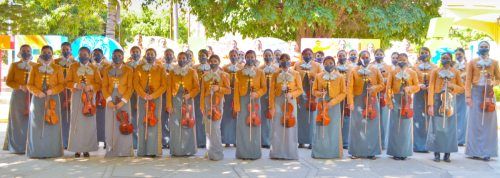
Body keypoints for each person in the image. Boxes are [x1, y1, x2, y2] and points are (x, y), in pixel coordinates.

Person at [26, 45, 65, 158]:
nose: (46, 54)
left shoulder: (57, 68)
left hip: (52, 99)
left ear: (52, 54)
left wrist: (52, 91)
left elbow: (61, 84)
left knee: (53, 123)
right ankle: (37, 151)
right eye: (44, 52)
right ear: (41, 54)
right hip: (37, 98)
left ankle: (52, 151)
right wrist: (37, 92)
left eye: (49, 52)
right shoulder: (34, 68)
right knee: (37, 122)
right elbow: (29, 84)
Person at [465, 41, 499, 161]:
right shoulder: (473, 61)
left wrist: (493, 83)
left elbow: (498, 79)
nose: (483, 49)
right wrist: (468, 96)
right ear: (478, 49)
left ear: (489, 49)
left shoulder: (494, 62)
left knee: (489, 124)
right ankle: (474, 151)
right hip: (476, 93)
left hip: (489, 94)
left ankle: (487, 152)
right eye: (481, 47)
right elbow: (468, 79)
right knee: (475, 122)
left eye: (486, 47)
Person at [427, 52, 464, 162]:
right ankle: (436, 152)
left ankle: (447, 153)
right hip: (438, 99)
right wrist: (431, 105)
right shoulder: (435, 71)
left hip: (450, 100)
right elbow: (431, 88)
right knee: (436, 127)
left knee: (449, 128)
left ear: (451, 60)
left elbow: (461, 89)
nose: (445, 60)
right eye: (443, 58)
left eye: (447, 58)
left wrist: (451, 86)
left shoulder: (456, 72)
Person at [66, 47, 102, 157]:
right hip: (77, 95)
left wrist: (90, 87)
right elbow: (67, 82)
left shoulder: (95, 68)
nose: (83, 57)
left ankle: (87, 149)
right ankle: (77, 148)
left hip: (89, 98)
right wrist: (76, 85)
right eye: (80, 55)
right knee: (76, 123)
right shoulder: (73, 67)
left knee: (88, 123)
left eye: (85, 54)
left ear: (89, 55)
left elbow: (99, 84)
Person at [347, 51, 384, 159]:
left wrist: (374, 88)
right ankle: (356, 151)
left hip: (371, 101)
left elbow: (382, 84)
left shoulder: (375, 70)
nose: (365, 59)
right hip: (358, 100)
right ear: (359, 58)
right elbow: (349, 87)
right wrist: (350, 102)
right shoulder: (354, 70)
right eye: (363, 57)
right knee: (357, 126)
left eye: (367, 57)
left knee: (371, 126)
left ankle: (371, 151)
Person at [133, 48, 167, 157]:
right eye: (148, 54)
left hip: (155, 98)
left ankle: (153, 150)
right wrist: (143, 94)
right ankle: (142, 150)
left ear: (156, 55)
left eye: (152, 54)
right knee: (142, 122)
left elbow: (164, 85)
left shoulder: (161, 68)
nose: (150, 56)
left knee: (154, 122)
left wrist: (153, 95)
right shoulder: (139, 67)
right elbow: (136, 83)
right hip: (143, 97)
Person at [386, 53, 419, 160]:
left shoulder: (412, 72)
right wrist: (389, 102)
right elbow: (389, 87)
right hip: (395, 99)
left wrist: (409, 88)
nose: (402, 62)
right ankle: (395, 151)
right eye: (400, 60)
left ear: (407, 60)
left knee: (405, 125)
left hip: (407, 100)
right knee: (395, 125)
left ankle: (404, 152)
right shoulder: (392, 71)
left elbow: (417, 87)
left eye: (404, 60)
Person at [234, 50, 267, 160]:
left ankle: (254, 152)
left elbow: (264, 88)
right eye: (248, 57)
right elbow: (236, 91)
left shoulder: (260, 72)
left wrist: (256, 93)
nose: (250, 59)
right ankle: (242, 153)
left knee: (255, 125)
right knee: (242, 126)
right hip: (243, 100)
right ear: (245, 58)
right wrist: (237, 106)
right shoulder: (239, 72)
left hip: (255, 101)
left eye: (252, 57)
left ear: (255, 58)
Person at [269, 54, 303, 160]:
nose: (285, 62)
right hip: (279, 100)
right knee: (278, 125)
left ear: (290, 61)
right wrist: (272, 106)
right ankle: (277, 152)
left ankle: (290, 152)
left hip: (290, 101)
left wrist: (292, 94)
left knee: (290, 126)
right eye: (282, 60)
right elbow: (271, 91)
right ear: (279, 62)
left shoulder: (296, 74)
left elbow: (300, 89)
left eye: (287, 60)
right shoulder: (275, 74)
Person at [4, 44, 37, 154]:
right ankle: (17, 147)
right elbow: (8, 81)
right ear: (20, 52)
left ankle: (31, 146)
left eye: (28, 51)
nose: (26, 53)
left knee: (31, 121)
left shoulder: (36, 66)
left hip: (32, 95)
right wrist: (20, 86)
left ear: (31, 52)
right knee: (17, 120)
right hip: (18, 95)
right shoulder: (14, 65)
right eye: (24, 51)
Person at [311, 56, 346, 158]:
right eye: (326, 63)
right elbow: (314, 91)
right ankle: (319, 152)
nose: (328, 65)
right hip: (321, 104)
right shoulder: (318, 76)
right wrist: (320, 94)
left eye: (331, 63)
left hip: (333, 106)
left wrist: (333, 102)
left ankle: (333, 152)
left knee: (333, 128)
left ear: (334, 64)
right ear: (323, 64)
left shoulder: (340, 77)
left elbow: (343, 93)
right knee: (320, 127)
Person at [102, 49, 134, 157]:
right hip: (111, 98)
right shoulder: (107, 69)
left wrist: (123, 101)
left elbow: (130, 87)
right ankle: (112, 150)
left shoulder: (128, 70)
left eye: (119, 55)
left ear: (123, 57)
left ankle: (125, 150)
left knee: (124, 123)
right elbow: (104, 87)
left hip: (123, 98)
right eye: (114, 55)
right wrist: (108, 100)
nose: (117, 57)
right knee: (111, 125)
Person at [166, 52, 200, 156]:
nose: (181, 60)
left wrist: (189, 95)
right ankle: (176, 150)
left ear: (187, 59)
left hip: (188, 100)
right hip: (175, 99)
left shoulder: (192, 71)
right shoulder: (172, 72)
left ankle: (188, 150)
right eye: (179, 58)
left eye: (184, 58)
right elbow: (169, 89)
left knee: (188, 124)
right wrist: (169, 105)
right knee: (175, 124)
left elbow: (197, 88)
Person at [200, 54, 230, 160]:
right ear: (208, 62)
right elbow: (203, 92)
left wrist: (218, 88)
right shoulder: (205, 76)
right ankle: (210, 151)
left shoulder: (224, 75)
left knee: (216, 128)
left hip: (217, 103)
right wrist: (202, 106)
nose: (213, 63)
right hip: (207, 102)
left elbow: (228, 90)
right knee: (209, 129)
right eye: (211, 61)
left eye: (215, 61)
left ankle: (218, 152)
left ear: (219, 62)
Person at [293, 48, 322, 149]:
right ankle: (300, 141)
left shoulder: (317, 65)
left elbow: (321, 79)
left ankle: (311, 141)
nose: (307, 56)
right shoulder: (297, 65)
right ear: (302, 55)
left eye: (309, 54)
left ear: (312, 55)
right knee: (301, 118)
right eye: (305, 54)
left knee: (312, 117)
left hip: (312, 95)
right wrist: (296, 95)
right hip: (301, 94)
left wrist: (314, 83)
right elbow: (293, 80)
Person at [411, 47, 438, 153]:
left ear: (429, 54)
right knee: (418, 119)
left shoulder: (435, 67)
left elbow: (438, 81)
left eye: (426, 53)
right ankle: (418, 145)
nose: (424, 55)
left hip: (430, 95)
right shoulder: (414, 68)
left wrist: (431, 87)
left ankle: (429, 145)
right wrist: (419, 85)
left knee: (429, 118)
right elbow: (411, 81)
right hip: (418, 94)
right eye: (422, 53)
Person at [53, 42, 77, 149]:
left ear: (71, 50)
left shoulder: (75, 63)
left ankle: (71, 141)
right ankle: (61, 141)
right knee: (60, 115)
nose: (66, 51)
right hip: (59, 91)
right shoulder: (56, 62)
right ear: (61, 50)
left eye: (67, 49)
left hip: (72, 91)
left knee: (71, 115)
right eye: (64, 49)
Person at [221, 50, 244, 147]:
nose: (233, 57)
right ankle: (226, 140)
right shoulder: (225, 67)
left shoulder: (242, 67)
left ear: (237, 56)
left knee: (237, 115)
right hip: (228, 94)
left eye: (235, 55)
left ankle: (236, 140)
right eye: (231, 56)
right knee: (227, 116)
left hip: (238, 94)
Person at [369, 49, 392, 150]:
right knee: (373, 117)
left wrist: (385, 80)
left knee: (384, 119)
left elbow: (391, 81)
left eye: (380, 54)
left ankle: (383, 143)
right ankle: (373, 142)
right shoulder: (371, 66)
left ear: (384, 55)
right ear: (374, 55)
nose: (379, 56)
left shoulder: (389, 67)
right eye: (377, 54)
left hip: (384, 94)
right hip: (373, 93)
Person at [257, 49, 279, 148]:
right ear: (263, 56)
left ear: (273, 56)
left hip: (273, 95)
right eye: (266, 55)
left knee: (272, 117)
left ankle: (272, 140)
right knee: (263, 117)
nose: (268, 57)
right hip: (262, 95)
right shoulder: (259, 68)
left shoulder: (276, 69)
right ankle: (263, 140)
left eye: (270, 55)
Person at [192, 49, 212, 148]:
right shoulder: (194, 67)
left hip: (208, 95)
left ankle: (208, 140)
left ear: (207, 56)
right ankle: (199, 140)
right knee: (198, 117)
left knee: (208, 116)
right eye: (200, 55)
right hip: (197, 95)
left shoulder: (211, 67)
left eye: (203, 55)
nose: (201, 57)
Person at [92, 48, 111, 149]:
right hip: (93, 95)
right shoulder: (91, 66)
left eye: (98, 54)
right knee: (93, 119)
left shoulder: (107, 65)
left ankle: (105, 140)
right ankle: (94, 140)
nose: (96, 56)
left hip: (103, 95)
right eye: (94, 54)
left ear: (102, 55)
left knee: (104, 118)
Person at [125, 46, 142, 149]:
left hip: (141, 93)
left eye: (137, 52)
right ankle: (133, 142)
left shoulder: (144, 65)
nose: (135, 54)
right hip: (130, 93)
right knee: (131, 117)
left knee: (141, 118)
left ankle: (141, 143)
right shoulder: (127, 65)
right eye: (133, 52)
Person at [160, 49, 177, 149]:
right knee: (163, 117)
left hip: (173, 94)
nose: (169, 57)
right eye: (167, 55)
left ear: (173, 56)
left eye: (170, 55)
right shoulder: (160, 67)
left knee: (172, 117)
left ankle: (172, 141)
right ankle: (164, 140)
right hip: (162, 93)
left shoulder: (176, 67)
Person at [451, 48, 468, 146]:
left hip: (464, 90)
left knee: (462, 115)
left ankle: (461, 139)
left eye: (460, 54)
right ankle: (453, 136)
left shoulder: (468, 65)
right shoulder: (452, 65)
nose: (458, 56)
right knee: (453, 112)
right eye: (456, 54)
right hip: (453, 89)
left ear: (464, 54)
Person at [336, 50, 352, 149]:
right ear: (337, 57)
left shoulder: (351, 69)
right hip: (337, 96)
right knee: (337, 116)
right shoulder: (335, 69)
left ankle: (346, 141)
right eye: (340, 56)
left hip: (347, 96)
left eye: (343, 56)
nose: (342, 57)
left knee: (346, 117)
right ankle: (337, 140)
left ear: (346, 57)